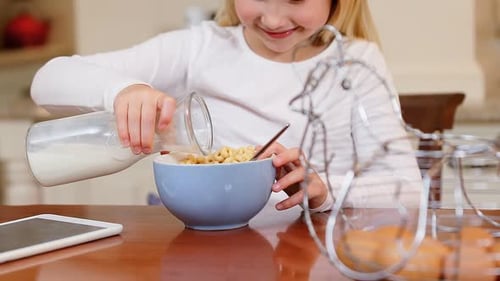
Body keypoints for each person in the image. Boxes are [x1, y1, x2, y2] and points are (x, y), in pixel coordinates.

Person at [30, 0, 423, 213]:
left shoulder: (357, 61)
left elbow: (408, 189)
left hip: (307, 250)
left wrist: (325, 190)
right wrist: (122, 90)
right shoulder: (201, 47)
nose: (272, 17)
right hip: (202, 249)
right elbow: (48, 79)